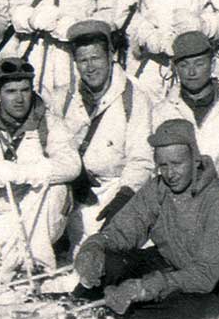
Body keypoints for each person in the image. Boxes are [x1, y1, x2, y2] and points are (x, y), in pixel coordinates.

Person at [73, 119, 219, 317]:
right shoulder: (158, 188)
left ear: (195, 160)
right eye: (163, 165)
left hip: (204, 281)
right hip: (166, 263)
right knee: (111, 263)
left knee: (188, 310)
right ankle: (84, 300)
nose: (170, 173)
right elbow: (124, 230)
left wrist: (149, 287)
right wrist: (95, 246)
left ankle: (120, 312)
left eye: (177, 164)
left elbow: (205, 275)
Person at [56, 20, 154, 249]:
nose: (90, 67)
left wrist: (125, 195)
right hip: (76, 189)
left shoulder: (134, 97)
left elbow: (141, 159)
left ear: (111, 56)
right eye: (83, 60)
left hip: (116, 188)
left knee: (107, 251)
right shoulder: (63, 98)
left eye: (96, 58)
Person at [0, 57, 81, 276]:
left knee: (56, 189)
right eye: (11, 91)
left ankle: (41, 267)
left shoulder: (49, 122)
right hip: (6, 209)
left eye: (25, 90)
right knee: (3, 263)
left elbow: (72, 166)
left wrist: (21, 173)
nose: (19, 99)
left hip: (43, 208)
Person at [151, 30, 219, 180]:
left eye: (199, 64)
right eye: (184, 65)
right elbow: (153, 169)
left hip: (217, 197)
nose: (192, 72)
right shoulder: (160, 113)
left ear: (212, 64)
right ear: (175, 68)